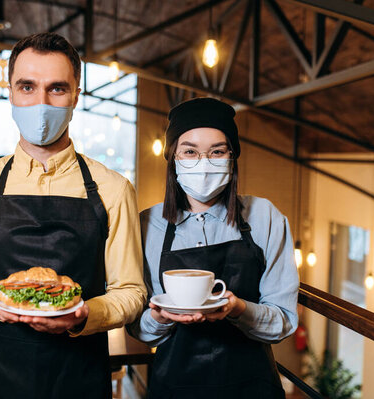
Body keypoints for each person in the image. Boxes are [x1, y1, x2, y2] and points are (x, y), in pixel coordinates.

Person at [0, 32, 146, 398]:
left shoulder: (113, 189)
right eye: (27, 87)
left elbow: (131, 292)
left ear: (76, 94)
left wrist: (84, 315)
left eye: (57, 88)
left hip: (79, 374)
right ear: (11, 93)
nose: (41, 103)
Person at [127, 97, 299, 398]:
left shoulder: (265, 216)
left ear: (232, 158)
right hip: (175, 386)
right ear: (173, 158)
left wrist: (238, 309)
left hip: (252, 386)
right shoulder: (146, 225)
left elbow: (284, 320)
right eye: (190, 151)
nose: (203, 163)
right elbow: (138, 329)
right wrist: (160, 317)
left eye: (217, 152)